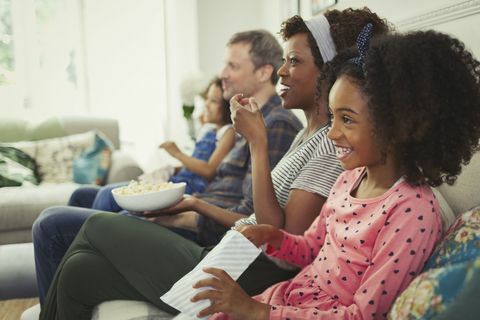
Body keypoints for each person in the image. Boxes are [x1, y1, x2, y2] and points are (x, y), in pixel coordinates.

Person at [38, 10, 394, 320]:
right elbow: (259, 221)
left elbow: (285, 245)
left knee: (98, 224)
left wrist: (258, 142)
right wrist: (195, 203)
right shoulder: (308, 137)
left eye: (294, 61)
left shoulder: (332, 148)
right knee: (77, 272)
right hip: (232, 252)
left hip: (249, 272)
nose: (282, 72)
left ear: (328, 70)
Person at [187, 30, 480, 320]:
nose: (333, 133)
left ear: (398, 126)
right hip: (291, 298)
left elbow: (363, 316)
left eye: (347, 119)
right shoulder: (348, 179)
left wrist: (256, 311)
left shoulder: (412, 211)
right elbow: (312, 248)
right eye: (332, 116)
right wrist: (274, 236)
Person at [34, 29, 302, 307]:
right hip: (200, 222)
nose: (222, 72)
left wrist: (190, 213)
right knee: (76, 229)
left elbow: (252, 215)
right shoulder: (250, 120)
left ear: (262, 72)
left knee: (52, 224)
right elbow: (228, 192)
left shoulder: (274, 125)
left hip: (211, 238)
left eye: (232, 65)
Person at [68, 76, 235, 213]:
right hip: (176, 179)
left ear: (227, 107)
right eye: (207, 98)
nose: (206, 104)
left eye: (213, 101)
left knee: (106, 195)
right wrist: (172, 169)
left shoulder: (228, 132)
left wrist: (178, 153)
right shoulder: (210, 130)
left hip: (188, 189)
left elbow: (208, 170)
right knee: (82, 194)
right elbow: (195, 163)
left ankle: (91, 241)